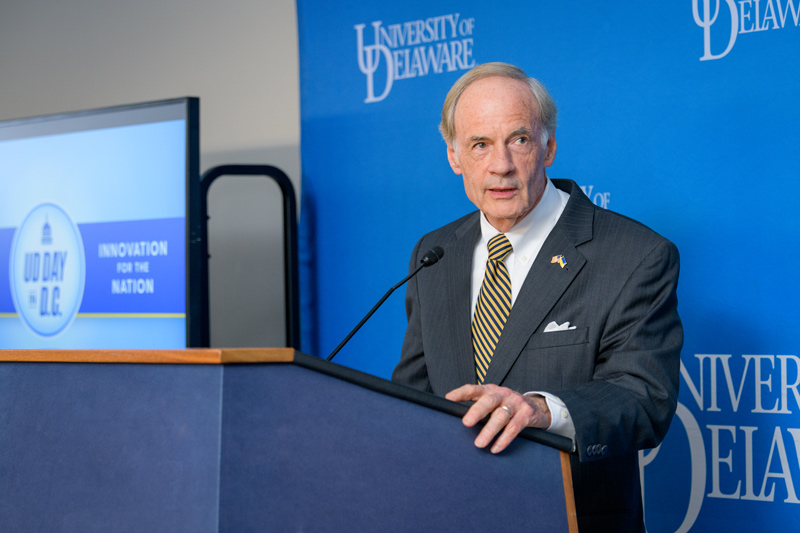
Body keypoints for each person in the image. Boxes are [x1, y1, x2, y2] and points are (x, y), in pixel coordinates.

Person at [392, 62, 682, 532]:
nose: (500, 165)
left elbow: (644, 399)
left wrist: (542, 409)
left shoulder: (635, 255)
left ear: (548, 146)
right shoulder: (434, 253)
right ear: (453, 156)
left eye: (519, 140)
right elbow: (412, 396)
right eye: (479, 144)